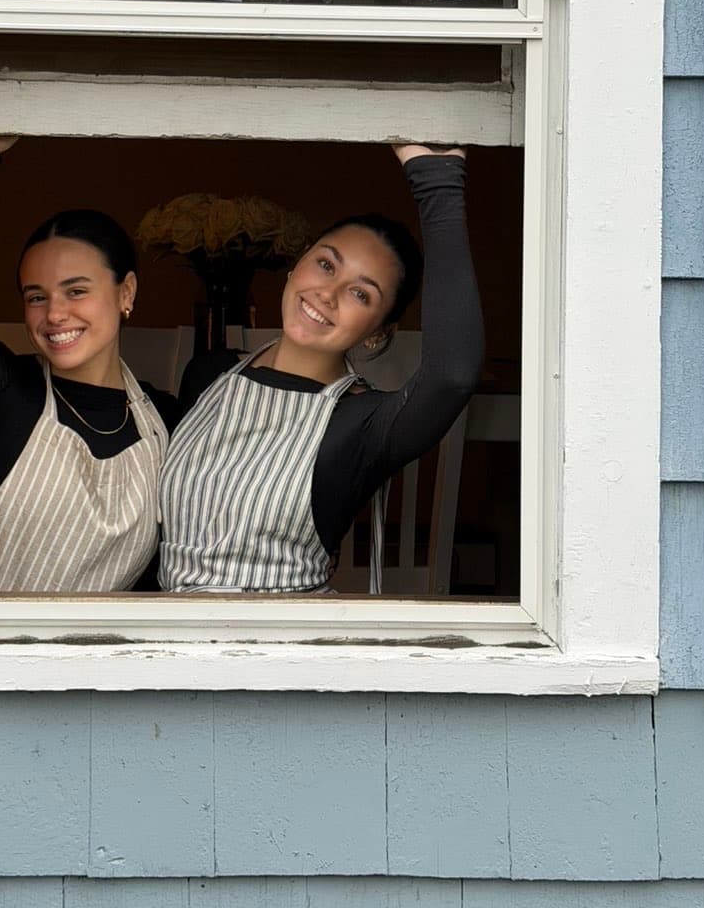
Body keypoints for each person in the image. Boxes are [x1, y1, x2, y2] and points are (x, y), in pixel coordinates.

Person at [159, 142, 483, 593]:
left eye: (360, 294)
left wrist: (437, 179)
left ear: (378, 331)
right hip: (165, 628)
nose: (328, 294)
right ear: (298, 265)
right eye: (326, 264)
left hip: (285, 636)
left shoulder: (363, 424)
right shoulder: (207, 374)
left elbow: (453, 376)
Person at [0, 135, 178, 594]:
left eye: (76, 291)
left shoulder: (167, 423)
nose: (55, 314)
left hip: (94, 644)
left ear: (126, 292)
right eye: (36, 297)